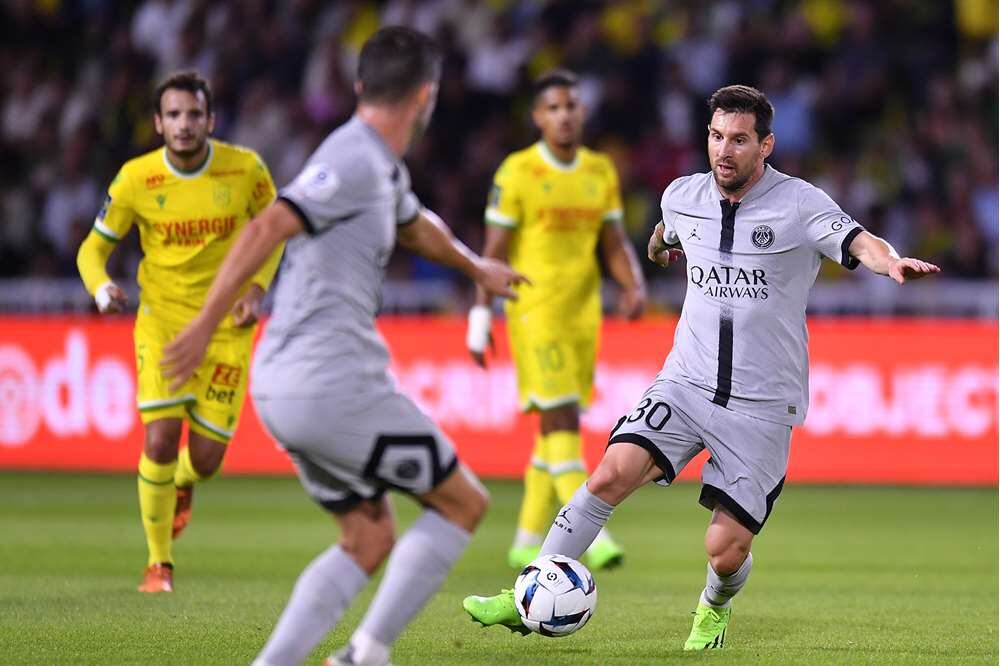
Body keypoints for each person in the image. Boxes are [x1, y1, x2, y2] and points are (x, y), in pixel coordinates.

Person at [463, 84, 940, 649]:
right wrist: (658, 248)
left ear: (766, 145)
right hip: (685, 382)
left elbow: (860, 241)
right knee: (611, 473)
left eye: (739, 140)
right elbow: (665, 237)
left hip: (762, 405)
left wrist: (890, 263)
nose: (724, 151)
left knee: (725, 549)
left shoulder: (801, 204)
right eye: (716, 137)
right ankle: (528, 593)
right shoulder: (680, 195)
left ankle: (713, 607)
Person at [161, 27, 526, 666]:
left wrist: (476, 269)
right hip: (331, 383)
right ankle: (365, 655)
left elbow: (417, 227)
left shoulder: (378, 168)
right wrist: (201, 325)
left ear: (362, 87)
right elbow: (274, 221)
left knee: (367, 536)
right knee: (463, 503)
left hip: (286, 386)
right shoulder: (353, 158)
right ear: (426, 96)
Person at [75, 70, 282, 594]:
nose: (184, 125)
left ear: (210, 120)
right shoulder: (135, 180)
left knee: (207, 459)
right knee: (161, 437)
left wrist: (256, 288)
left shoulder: (245, 170)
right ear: (158, 123)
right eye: (173, 115)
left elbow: (276, 231)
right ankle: (158, 564)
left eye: (193, 114)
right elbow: (92, 250)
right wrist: (101, 290)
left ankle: (184, 484)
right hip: (163, 322)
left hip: (227, 326)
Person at [466, 69, 647, 572]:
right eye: (554, 108)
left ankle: (526, 539)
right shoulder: (518, 171)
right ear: (538, 117)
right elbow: (493, 252)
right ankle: (595, 532)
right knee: (561, 416)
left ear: (582, 112)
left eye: (572, 106)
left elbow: (612, 241)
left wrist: (632, 283)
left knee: (553, 430)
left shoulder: (599, 171)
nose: (564, 115)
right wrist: (479, 318)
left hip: (582, 314)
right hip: (534, 311)